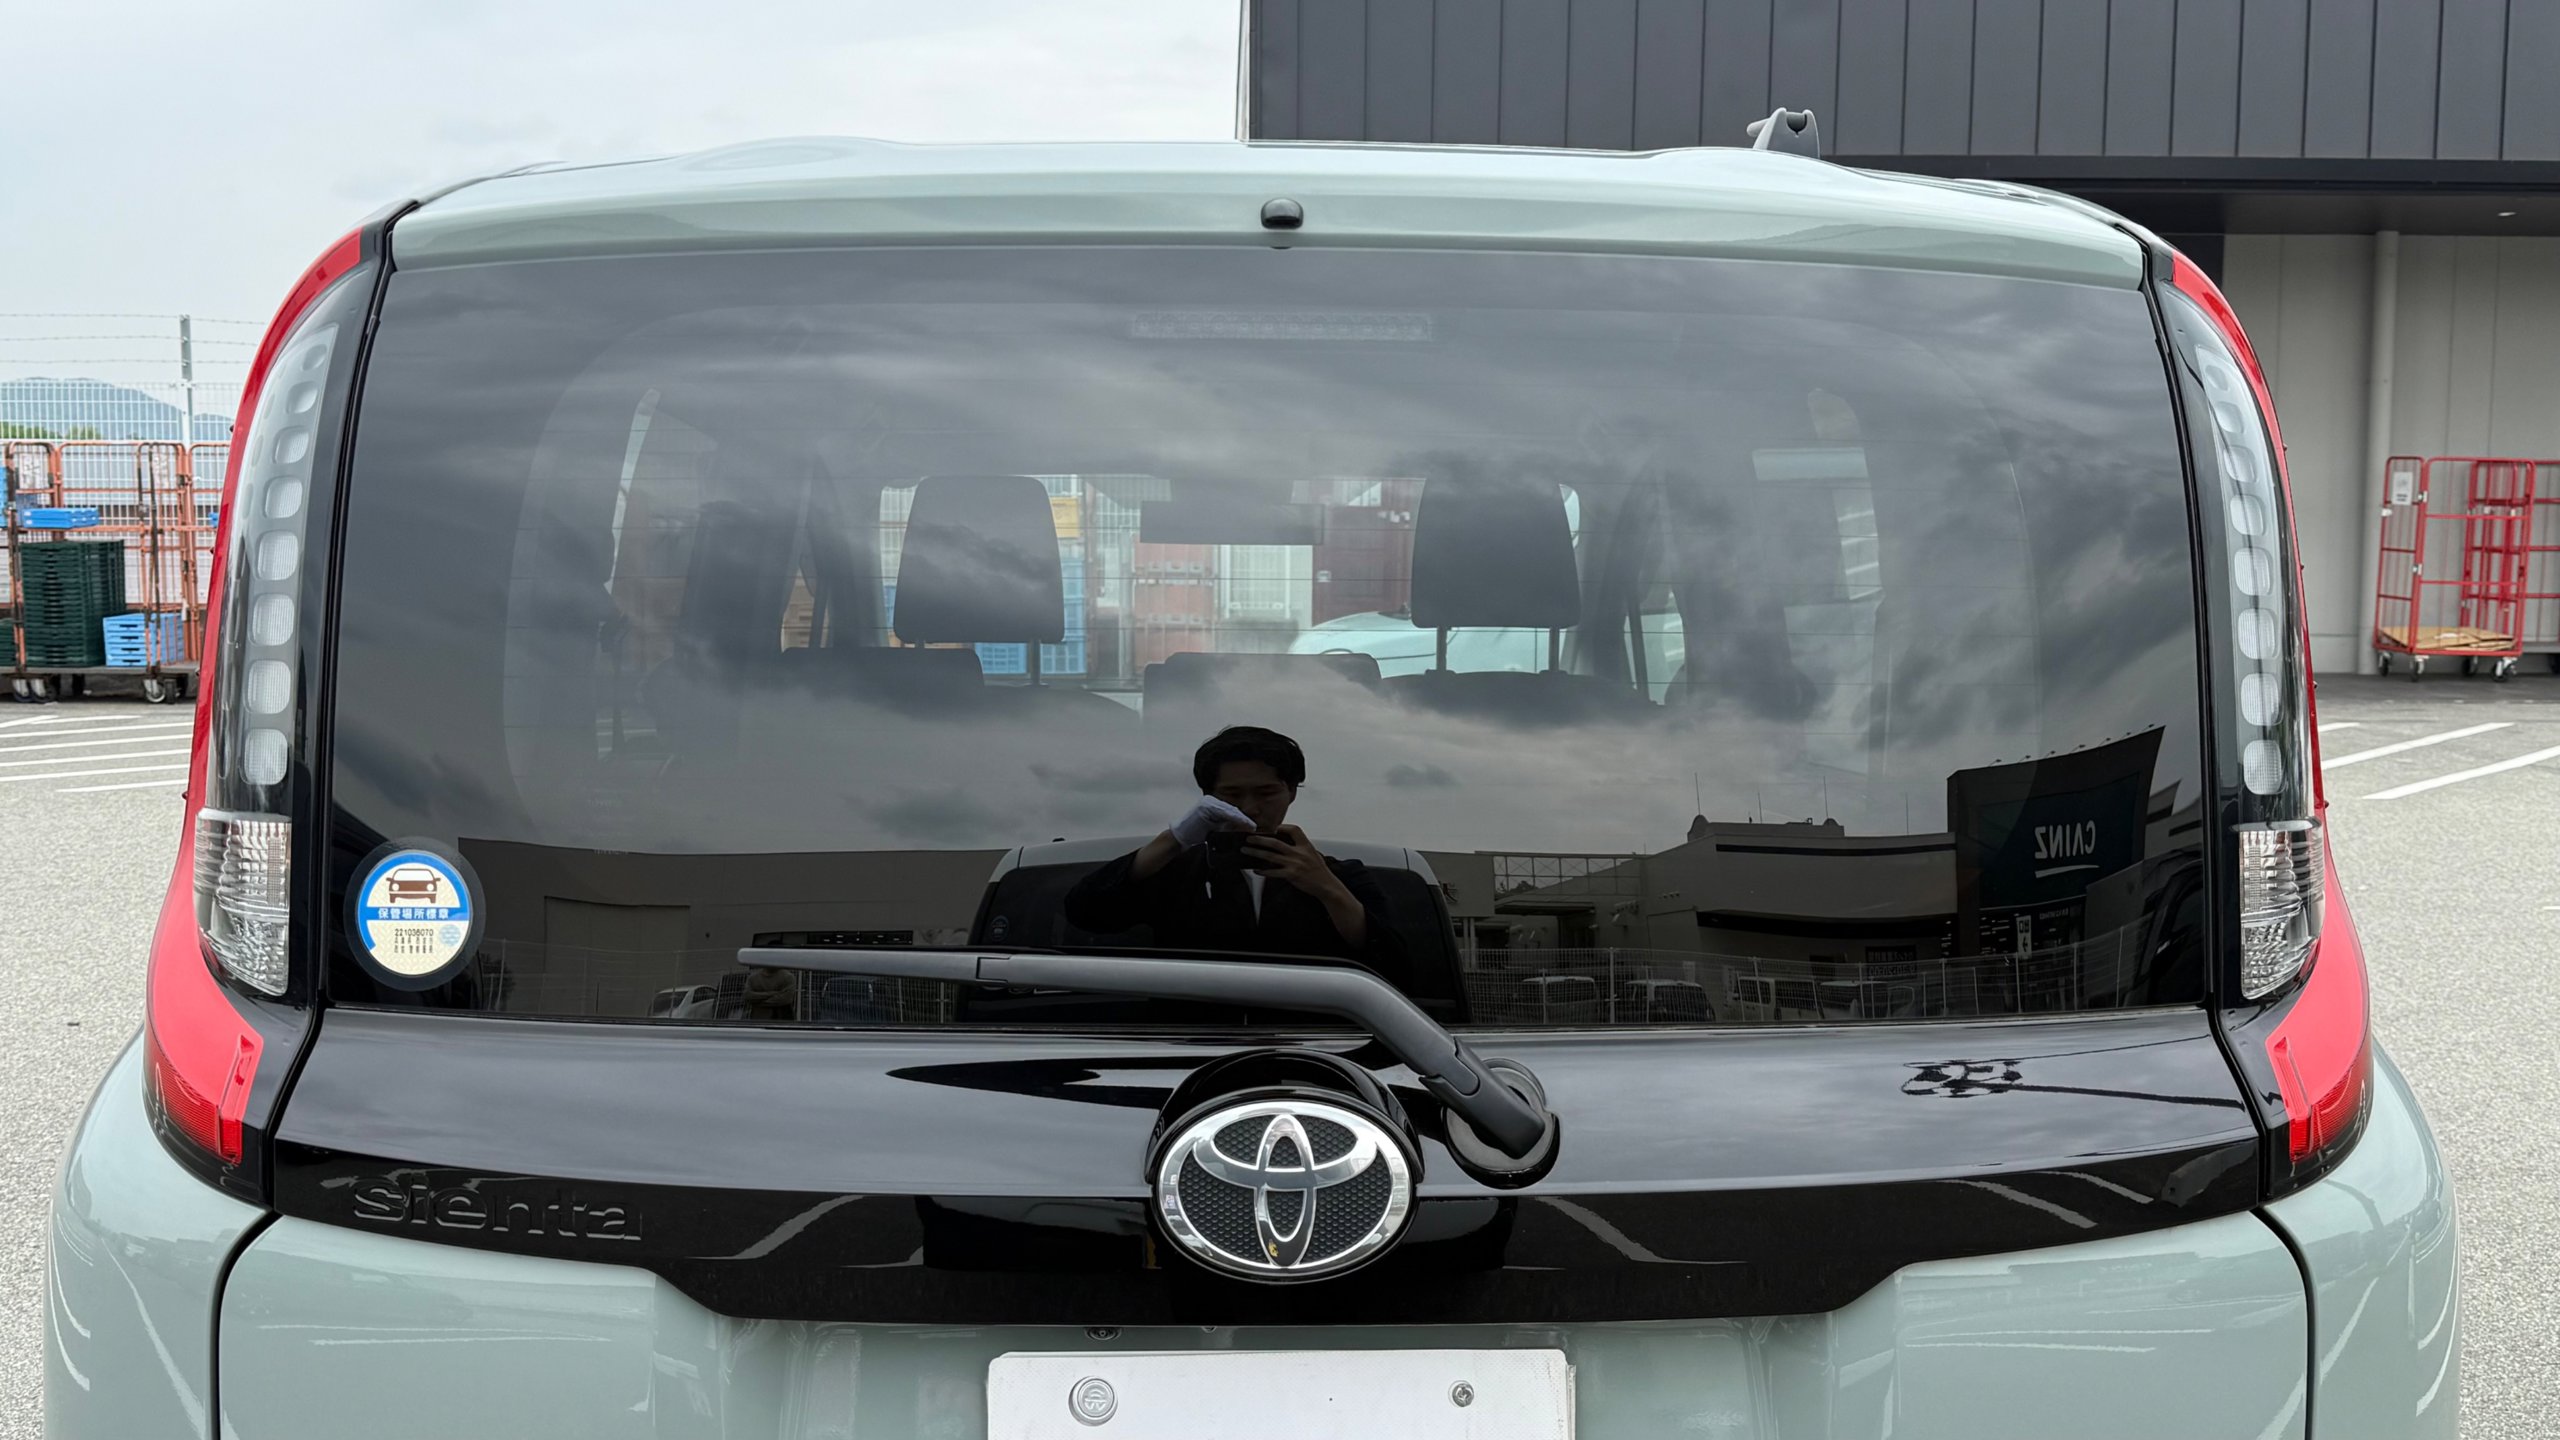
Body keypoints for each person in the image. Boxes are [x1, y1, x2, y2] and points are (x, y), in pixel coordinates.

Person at [1062, 726, 1410, 983]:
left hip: (1314, 1042)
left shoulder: (1341, 876)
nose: (1250, 808)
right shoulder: (1177, 872)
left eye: (1266, 793)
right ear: (1207, 798)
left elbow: (1396, 968)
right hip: (1192, 1040)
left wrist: (1327, 888)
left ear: (1291, 793)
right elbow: (1085, 912)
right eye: (1231, 795)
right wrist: (1174, 839)